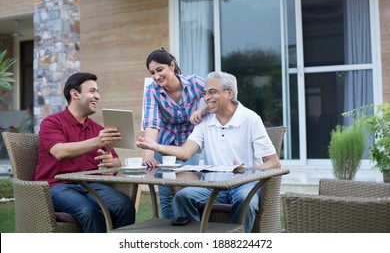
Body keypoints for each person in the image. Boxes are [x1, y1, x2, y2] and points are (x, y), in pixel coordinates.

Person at [136, 71, 281, 232]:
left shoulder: (250, 119)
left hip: (244, 185)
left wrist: (247, 171)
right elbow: (185, 153)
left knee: (244, 199)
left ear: (229, 93)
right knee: (182, 198)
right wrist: (155, 146)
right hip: (214, 185)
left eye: (212, 92)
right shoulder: (205, 121)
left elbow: (274, 162)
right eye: (204, 93)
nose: (206, 98)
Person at [33, 72, 135, 233]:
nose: (98, 96)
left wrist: (111, 162)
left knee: (125, 206)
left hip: (90, 185)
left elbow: (116, 162)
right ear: (75, 94)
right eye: (92, 91)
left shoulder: (98, 129)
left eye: (98, 91)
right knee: (88, 210)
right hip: (56, 185)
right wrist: (98, 141)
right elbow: (60, 152)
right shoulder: (52, 123)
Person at [142, 48, 207, 219]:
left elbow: (217, 95)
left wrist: (203, 109)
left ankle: (193, 230)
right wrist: (149, 154)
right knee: (166, 193)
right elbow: (151, 122)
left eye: (160, 69)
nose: (156, 76)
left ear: (172, 65)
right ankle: (170, 232)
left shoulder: (194, 82)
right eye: (152, 72)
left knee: (188, 190)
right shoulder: (152, 90)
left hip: (188, 144)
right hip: (163, 144)